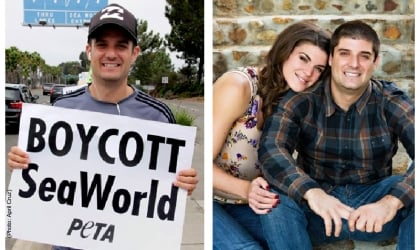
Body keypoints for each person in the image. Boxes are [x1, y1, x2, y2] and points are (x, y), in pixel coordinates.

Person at [7, 3, 198, 250]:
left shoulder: (159, 117)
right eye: (102, 45)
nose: (111, 54)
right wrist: (21, 165)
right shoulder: (61, 110)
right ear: (89, 50)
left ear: (135, 52)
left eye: (121, 45)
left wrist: (184, 184)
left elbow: (166, 192)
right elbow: (41, 178)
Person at [258, 20, 414, 250]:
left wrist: (391, 202)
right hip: (316, 208)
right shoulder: (303, 99)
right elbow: (271, 148)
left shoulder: (390, 100)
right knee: (272, 198)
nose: (354, 64)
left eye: (364, 56)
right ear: (331, 59)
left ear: (375, 61)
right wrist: (311, 192)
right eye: (344, 53)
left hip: (373, 206)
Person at [213, 21, 331, 249]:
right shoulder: (238, 87)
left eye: (319, 68)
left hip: (252, 202)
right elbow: (199, 165)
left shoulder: (298, 100)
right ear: (284, 52)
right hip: (213, 200)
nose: (308, 73)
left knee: (302, 232)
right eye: (303, 58)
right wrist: (246, 190)